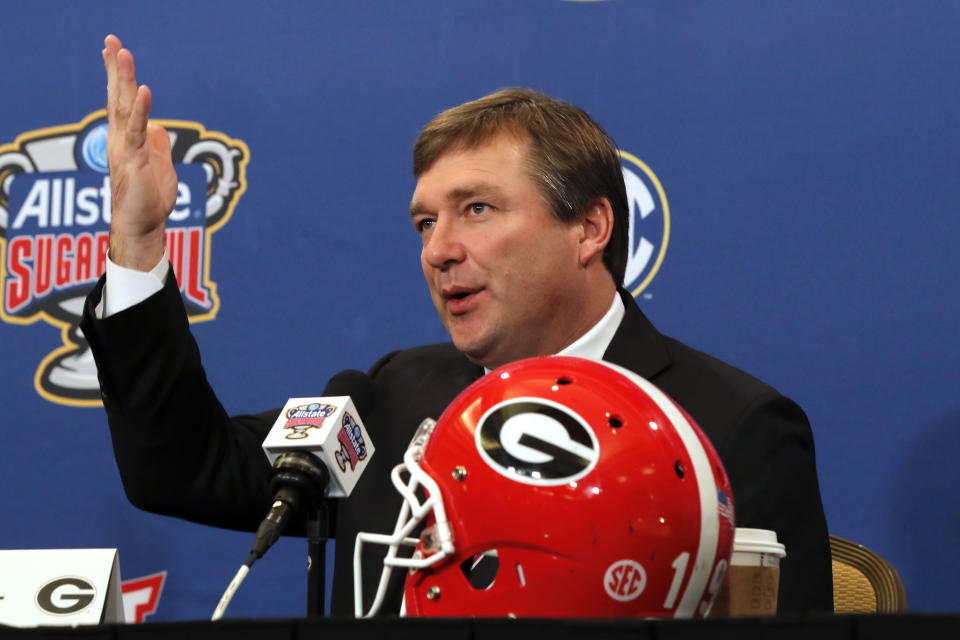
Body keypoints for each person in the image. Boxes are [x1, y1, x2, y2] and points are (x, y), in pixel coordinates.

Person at [81, 35, 833, 616]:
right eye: (423, 222)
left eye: (477, 209)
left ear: (588, 228)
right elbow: (179, 467)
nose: (439, 250)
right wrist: (140, 244)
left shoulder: (732, 429)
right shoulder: (390, 397)